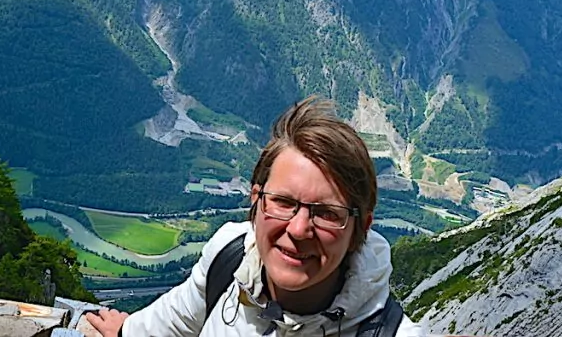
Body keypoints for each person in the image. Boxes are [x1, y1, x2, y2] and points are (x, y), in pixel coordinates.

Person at [83, 95, 424, 336]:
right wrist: (126, 331)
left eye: (326, 213)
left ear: (360, 228)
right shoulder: (229, 259)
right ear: (257, 199)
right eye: (283, 202)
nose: (299, 228)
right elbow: (171, 322)